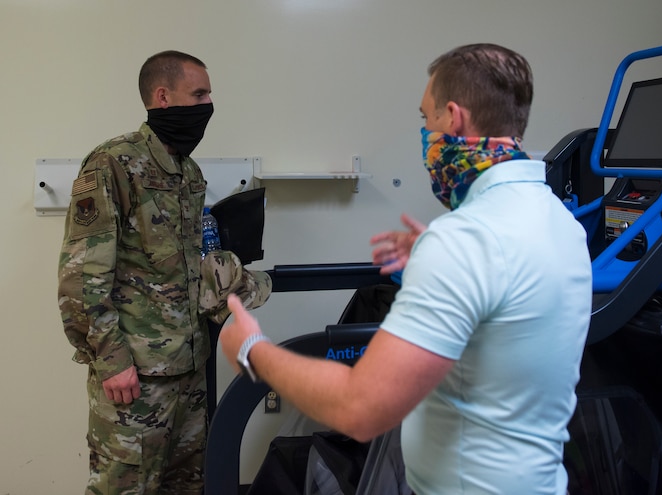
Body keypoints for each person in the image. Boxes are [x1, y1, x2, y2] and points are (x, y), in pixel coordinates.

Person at [219, 43, 592, 494]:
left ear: (452, 118)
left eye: (426, 118)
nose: (426, 133)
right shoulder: (557, 220)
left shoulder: (465, 241)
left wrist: (253, 351)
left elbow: (360, 409)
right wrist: (438, 259)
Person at [57, 50, 272, 494]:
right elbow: (81, 277)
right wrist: (112, 361)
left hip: (189, 371)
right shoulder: (113, 163)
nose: (209, 103)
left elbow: (187, 265)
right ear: (163, 96)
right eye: (200, 93)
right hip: (134, 377)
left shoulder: (188, 173)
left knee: (188, 486)